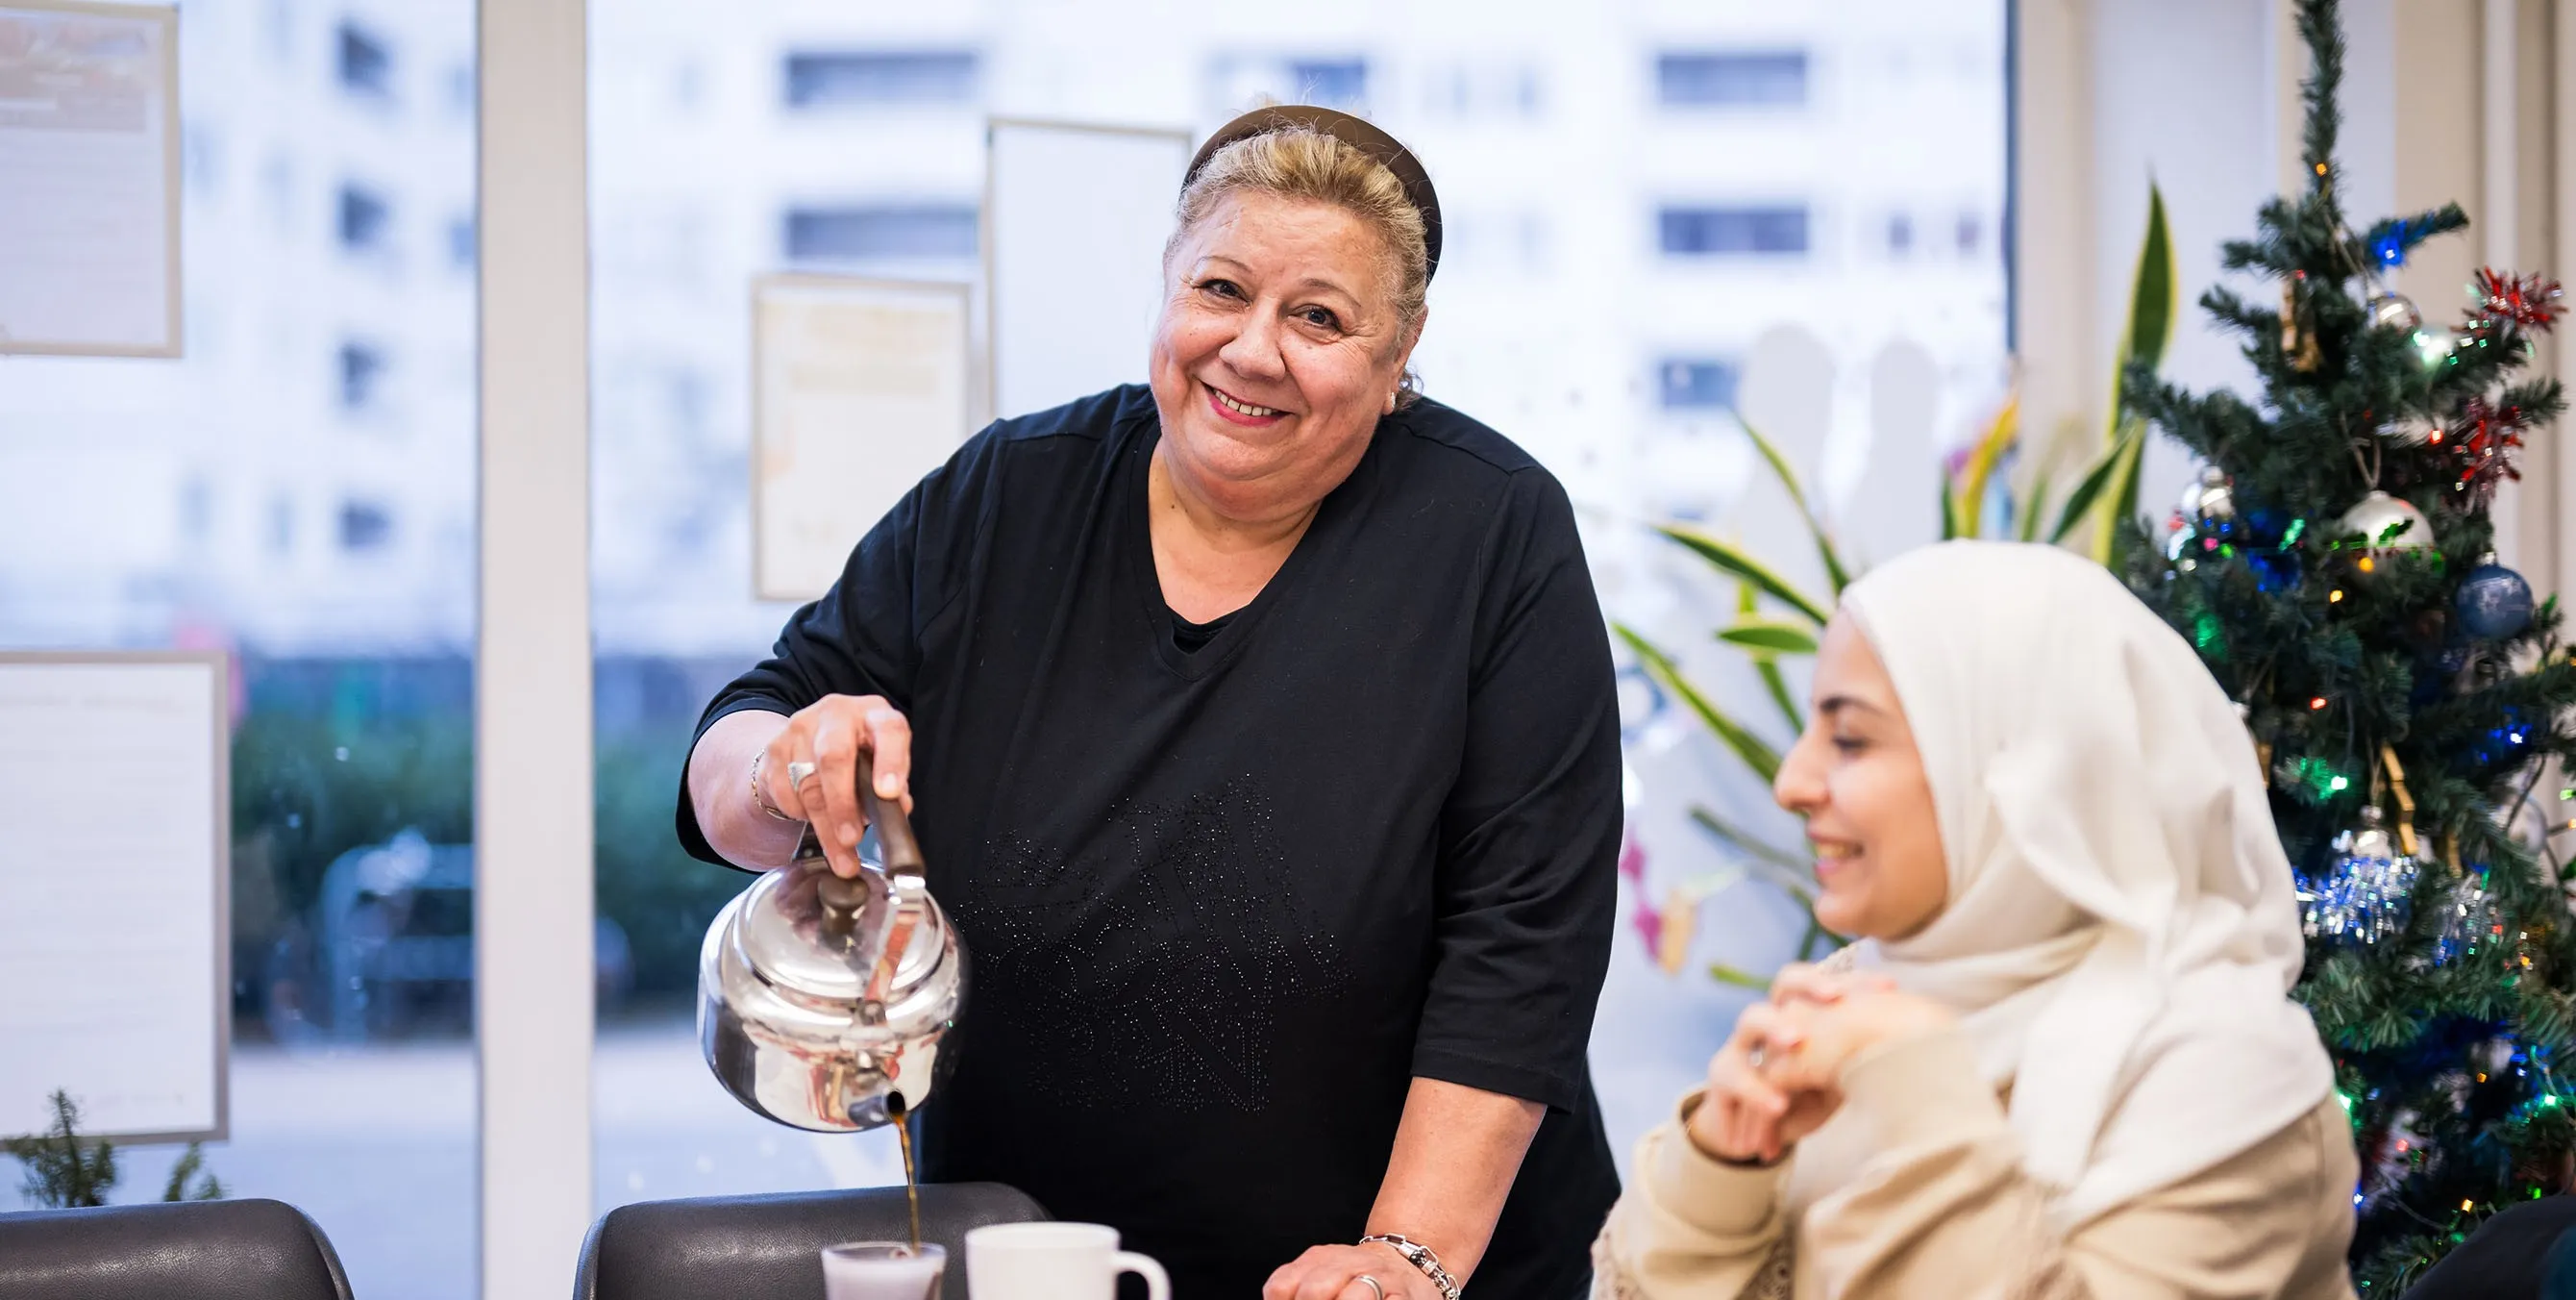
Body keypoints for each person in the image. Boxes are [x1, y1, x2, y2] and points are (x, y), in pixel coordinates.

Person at [678, 105, 1622, 1299]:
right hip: (1043, 1253)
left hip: (1388, 1265)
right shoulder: (1004, 496)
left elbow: (1524, 942)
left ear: (1401, 352)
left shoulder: (1492, 533)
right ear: (1169, 282)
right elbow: (748, 736)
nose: (1253, 350)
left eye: (1319, 317)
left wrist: (1403, 1256)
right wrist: (781, 767)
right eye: (1221, 289)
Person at [1594, 541, 2359, 1300]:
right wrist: (1720, 1172)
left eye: (1850, 739)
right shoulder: (1857, 989)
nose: (1792, 783)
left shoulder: (2227, 1074)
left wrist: (1916, 1086)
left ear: (2027, 771)